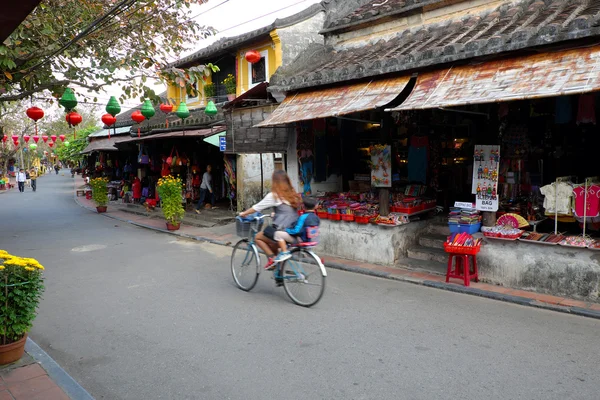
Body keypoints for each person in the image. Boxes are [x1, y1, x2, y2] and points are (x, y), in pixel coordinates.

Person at [239, 170, 301, 274]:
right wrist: (275, 214)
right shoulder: (292, 194)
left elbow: (257, 207)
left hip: (282, 231)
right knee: (272, 242)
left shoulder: (275, 195)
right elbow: (287, 212)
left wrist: (244, 213)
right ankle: (279, 271)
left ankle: (272, 259)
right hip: (294, 231)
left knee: (258, 237)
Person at [271, 196, 320, 263]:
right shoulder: (316, 217)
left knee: (278, 234)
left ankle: (285, 253)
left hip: (301, 240)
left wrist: (286, 230)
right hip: (311, 240)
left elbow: (296, 231)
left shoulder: (303, 217)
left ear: (303, 206)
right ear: (316, 206)